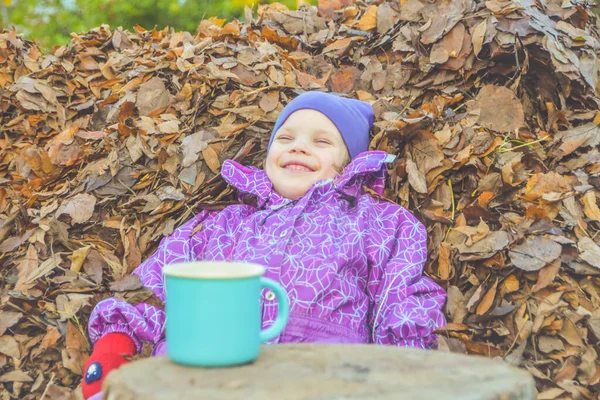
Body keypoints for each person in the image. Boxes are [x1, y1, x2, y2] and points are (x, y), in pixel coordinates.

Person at [82, 91, 447, 399]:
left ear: (351, 163)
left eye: (321, 142)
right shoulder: (221, 225)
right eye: (285, 139)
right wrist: (116, 341)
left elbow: (399, 303)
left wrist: (404, 376)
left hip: (322, 377)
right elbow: (173, 301)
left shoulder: (379, 222)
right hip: (207, 376)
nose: (299, 147)